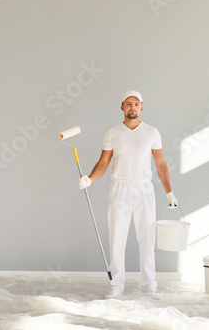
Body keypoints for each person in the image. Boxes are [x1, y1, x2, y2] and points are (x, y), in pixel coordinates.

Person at [78, 90, 178, 299]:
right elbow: (104, 162)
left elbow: (160, 163)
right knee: (117, 237)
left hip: (144, 188)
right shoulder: (112, 133)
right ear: (122, 107)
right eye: (128, 104)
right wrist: (89, 179)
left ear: (142, 108)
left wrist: (169, 192)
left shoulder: (152, 132)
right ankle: (116, 285)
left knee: (147, 238)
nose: (132, 107)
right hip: (119, 188)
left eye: (136, 104)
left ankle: (149, 284)